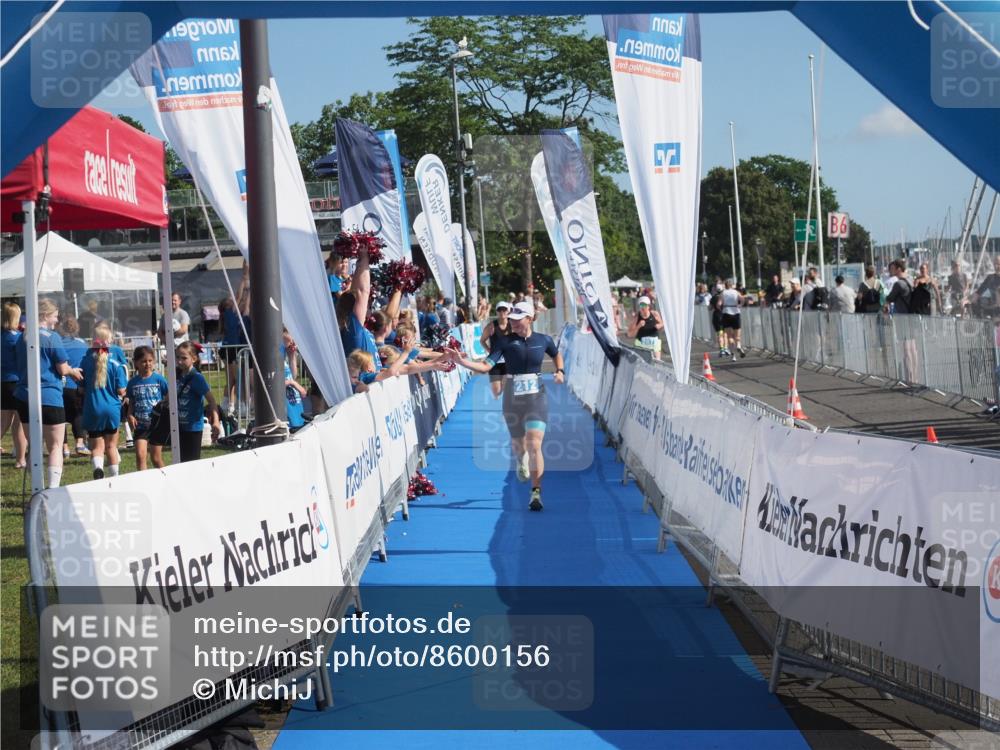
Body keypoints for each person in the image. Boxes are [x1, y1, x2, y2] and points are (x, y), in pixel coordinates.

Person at [446, 300, 564, 512]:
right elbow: (485, 366)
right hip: (512, 399)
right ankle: (521, 460)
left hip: (537, 398)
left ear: (530, 319)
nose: (514, 323)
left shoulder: (543, 340)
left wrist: (560, 371)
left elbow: (556, 354)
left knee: (534, 443)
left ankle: (536, 492)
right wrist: (462, 362)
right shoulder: (504, 342)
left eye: (518, 320)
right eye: (512, 320)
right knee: (519, 445)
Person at [13, 299, 83, 488]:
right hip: (49, 395)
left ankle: (35, 489)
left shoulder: (22, 337)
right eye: (55, 315)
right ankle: (52, 490)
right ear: (44, 315)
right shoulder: (52, 337)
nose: (57, 319)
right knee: (55, 445)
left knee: (34, 445)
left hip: (24, 396)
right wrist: (73, 371)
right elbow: (62, 368)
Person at [153, 341, 220, 462]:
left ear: (194, 359)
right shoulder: (176, 375)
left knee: (191, 464)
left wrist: (216, 422)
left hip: (193, 429)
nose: (179, 361)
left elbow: (212, 401)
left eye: (184, 358)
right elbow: (170, 396)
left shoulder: (197, 378)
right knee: (179, 463)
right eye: (177, 357)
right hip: (177, 427)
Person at [81, 322, 128, 480]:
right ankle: (115, 478)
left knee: (97, 446)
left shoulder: (86, 361)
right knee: (111, 446)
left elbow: (81, 387)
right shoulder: (116, 364)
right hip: (112, 409)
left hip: (92, 407)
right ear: (109, 341)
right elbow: (122, 390)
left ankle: (98, 469)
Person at [336, 244, 381, 371]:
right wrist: (364, 256)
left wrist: (360, 261)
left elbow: (358, 291)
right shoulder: (352, 328)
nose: (368, 305)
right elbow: (362, 291)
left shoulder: (355, 328)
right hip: (365, 387)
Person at [126, 346, 169, 470]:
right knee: (140, 455)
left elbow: (169, 397)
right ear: (136, 363)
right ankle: (142, 483)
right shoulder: (132, 383)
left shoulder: (159, 379)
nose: (147, 364)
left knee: (156, 458)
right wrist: (130, 415)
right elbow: (131, 402)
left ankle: (166, 479)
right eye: (143, 361)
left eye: (150, 361)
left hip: (157, 425)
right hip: (140, 426)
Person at [58, 317, 90, 456]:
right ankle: (80, 443)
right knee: (78, 414)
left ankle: (64, 448)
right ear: (77, 328)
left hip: (60, 385)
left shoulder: (58, 343)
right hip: (77, 384)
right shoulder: (83, 344)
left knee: (61, 418)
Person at [1, 302, 27, 468]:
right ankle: (20, 459)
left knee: (3, 422)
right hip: (17, 381)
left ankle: (20, 459)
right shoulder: (18, 338)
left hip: (2, 382)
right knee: (19, 423)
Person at [480, 300, 514, 398]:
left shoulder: (512, 325)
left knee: (508, 387)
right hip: (494, 361)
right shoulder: (491, 326)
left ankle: (507, 409)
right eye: (500, 310)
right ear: (497, 312)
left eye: (504, 309)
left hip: (509, 360)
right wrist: (489, 350)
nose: (502, 312)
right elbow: (482, 341)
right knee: (496, 392)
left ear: (508, 311)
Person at [627, 295, 664, 360]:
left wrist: (659, 326)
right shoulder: (636, 317)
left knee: (657, 362)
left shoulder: (655, 314)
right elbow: (630, 334)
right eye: (641, 305)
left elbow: (662, 324)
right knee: (642, 364)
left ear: (648, 306)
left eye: (644, 305)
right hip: (641, 345)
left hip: (654, 343)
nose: (642, 308)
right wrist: (638, 326)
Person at [718, 280, 746, 359]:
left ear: (725, 286)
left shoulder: (723, 293)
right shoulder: (736, 292)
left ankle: (733, 355)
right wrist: (740, 305)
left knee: (729, 336)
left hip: (726, 313)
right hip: (736, 312)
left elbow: (719, 304)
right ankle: (738, 345)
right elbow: (743, 299)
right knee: (737, 335)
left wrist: (721, 310)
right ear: (732, 285)